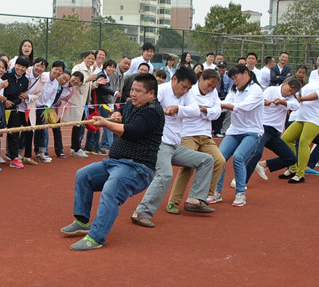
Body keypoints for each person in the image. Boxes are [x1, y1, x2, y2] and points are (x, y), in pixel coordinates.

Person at [62, 73, 165, 251]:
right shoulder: (132, 104)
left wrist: (106, 123)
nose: (133, 94)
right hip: (115, 163)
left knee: (111, 189)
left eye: (138, 91)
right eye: (132, 90)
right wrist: (117, 113)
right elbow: (123, 112)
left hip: (137, 168)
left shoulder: (152, 112)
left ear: (151, 94)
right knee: (84, 175)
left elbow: (133, 131)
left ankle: (96, 237)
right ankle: (82, 221)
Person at [130, 68, 216, 228]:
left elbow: (196, 110)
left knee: (206, 160)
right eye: (184, 86)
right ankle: (141, 212)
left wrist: (178, 109)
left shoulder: (186, 95)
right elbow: (145, 107)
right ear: (174, 79)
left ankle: (194, 199)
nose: (186, 91)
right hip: (159, 143)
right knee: (165, 174)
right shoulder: (161, 91)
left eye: (189, 88)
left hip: (174, 146)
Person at [166, 68, 226, 210]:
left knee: (219, 161)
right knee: (188, 165)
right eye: (209, 85)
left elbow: (217, 113)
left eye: (214, 87)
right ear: (201, 79)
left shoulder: (213, 93)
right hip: (188, 134)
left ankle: (201, 197)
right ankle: (173, 201)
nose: (210, 89)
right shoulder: (189, 90)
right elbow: (186, 111)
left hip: (205, 135)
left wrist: (204, 110)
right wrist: (202, 111)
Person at [279, 58, 319, 183]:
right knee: (286, 138)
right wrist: (296, 97)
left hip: (317, 116)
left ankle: (300, 174)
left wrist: (303, 99)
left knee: (304, 142)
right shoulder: (314, 80)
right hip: (303, 115)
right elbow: (301, 93)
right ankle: (293, 168)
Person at [215, 64, 264, 207]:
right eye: (232, 78)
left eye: (236, 77)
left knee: (238, 157)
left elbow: (244, 107)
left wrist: (222, 105)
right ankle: (215, 192)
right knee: (219, 158)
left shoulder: (256, 90)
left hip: (252, 132)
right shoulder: (234, 89)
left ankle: (240, 193)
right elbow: (225, 103)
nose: (235, 81)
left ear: (246, 73)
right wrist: (211, 107)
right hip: (234, 131)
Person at [246, 78, 301, 183]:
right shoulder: (271, 90)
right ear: (286, 83)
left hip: (275, 133)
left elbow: (296, 106)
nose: (289, 93)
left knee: (291, 158)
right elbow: (258, 102)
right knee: (256, 153)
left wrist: (282, 102)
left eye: (292, 93)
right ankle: (240, 181)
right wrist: (264, 102)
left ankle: (263, 165)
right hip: (263, 128)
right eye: (289, 90)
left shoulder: (290, 98)